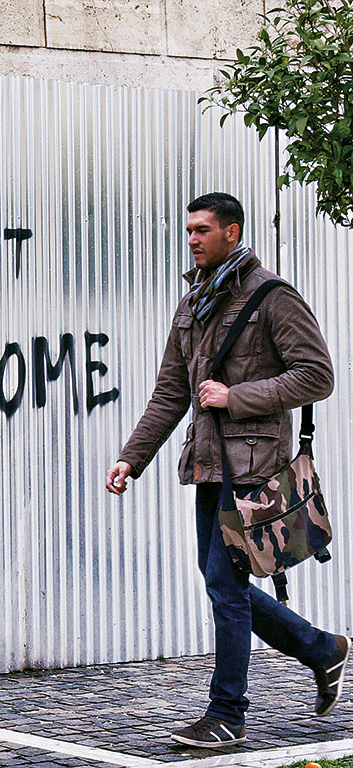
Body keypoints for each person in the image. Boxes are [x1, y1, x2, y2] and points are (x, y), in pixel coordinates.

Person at [105, 193, 349, 748]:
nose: (191, 238)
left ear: (232, 233)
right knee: (226, 583)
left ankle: (227, 715)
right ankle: (320, 649)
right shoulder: (193, 301)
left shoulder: (272, 296)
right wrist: (131, 457)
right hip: (209, 465)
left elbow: (317, 375)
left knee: (224, 583)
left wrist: (235, 395)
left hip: (254, 465)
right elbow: (171, 392)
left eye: (202, 230)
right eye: (188, 229)